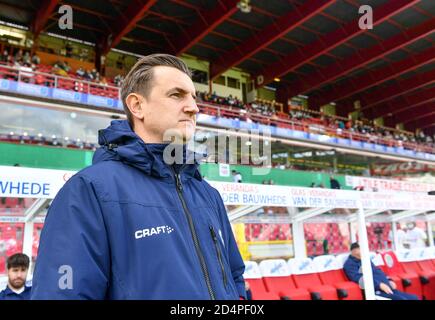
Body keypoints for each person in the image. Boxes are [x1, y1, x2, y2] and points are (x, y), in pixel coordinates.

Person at [31, 54, 246, 300]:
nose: (193, 107)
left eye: (193, 98)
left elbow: (235, 277)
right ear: (137, 106)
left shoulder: (208, 194)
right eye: (177, 95)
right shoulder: (89, 190)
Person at [343, 242, 418, 300]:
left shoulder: (366, 260)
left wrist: (389, 280)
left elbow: (378, 271)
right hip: (375, 292)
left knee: (414, 298)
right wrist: (379, 285)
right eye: (362, 248)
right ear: (355, 251)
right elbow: (359, 279)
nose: (366, 250)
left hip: (388, 289)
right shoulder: (349, 264)